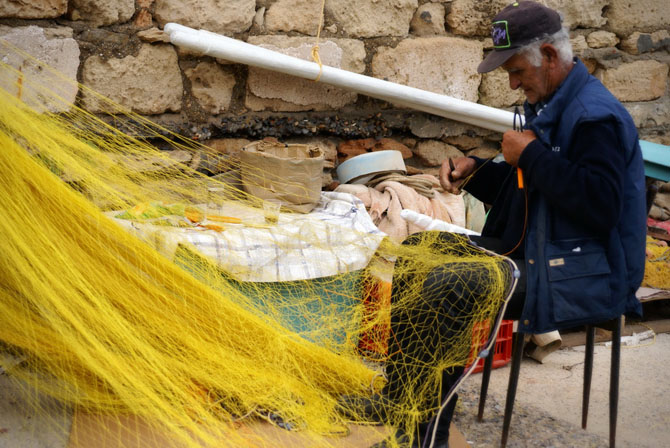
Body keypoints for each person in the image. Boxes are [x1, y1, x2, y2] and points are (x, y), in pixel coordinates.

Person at [343, 2, 647, 447]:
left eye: (517, 70)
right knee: (418, 254)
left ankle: (424, 439)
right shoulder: (552, 103)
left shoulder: (594, 117)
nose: (512, 82)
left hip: (588, 271)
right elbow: (540, 188)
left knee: (452, 283)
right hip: (544, 253)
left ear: (548, 54)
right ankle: (400, 399)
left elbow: (599, 206)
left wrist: (532, 156)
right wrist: (478, 169)